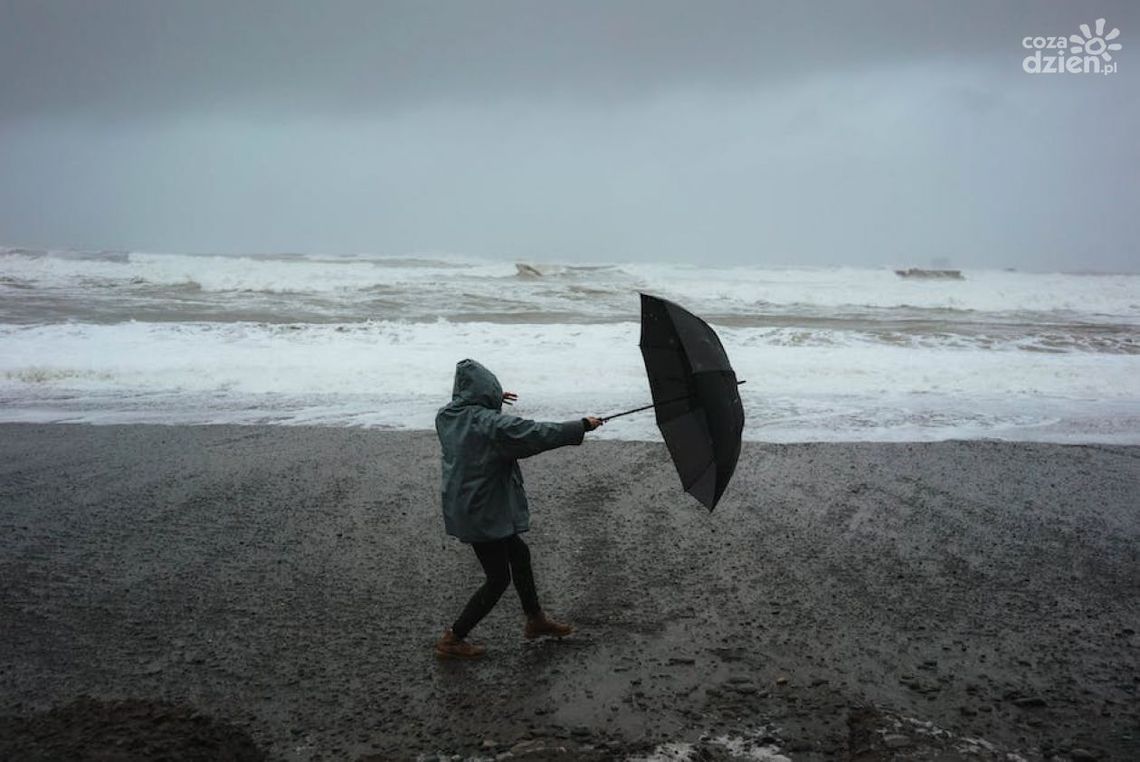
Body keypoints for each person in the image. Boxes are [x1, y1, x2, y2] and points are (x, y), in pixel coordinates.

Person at [434, 359, 603, 659]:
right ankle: (453, 638)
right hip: (482, 511)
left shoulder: (447, 417)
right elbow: (534, 433)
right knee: (498, 578)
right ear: (485, 393)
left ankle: (535, 620)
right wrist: (581, 426)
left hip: (468, 505)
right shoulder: (489, 425)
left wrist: (492, 400)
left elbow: (474, 416)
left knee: (519, 554)